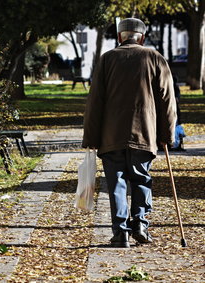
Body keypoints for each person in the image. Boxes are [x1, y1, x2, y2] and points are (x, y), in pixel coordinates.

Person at [82, 18, 177, 248]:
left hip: (111, 136)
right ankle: (141, 224)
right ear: (142, 38)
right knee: (142, 180)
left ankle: (121, 232)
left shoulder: (107, 59)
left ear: (119, 37)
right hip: (144, 133)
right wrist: (167, 134)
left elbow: (95, 102)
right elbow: (167, 100)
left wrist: (91, 138)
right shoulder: (154, 58)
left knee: (117, 184)